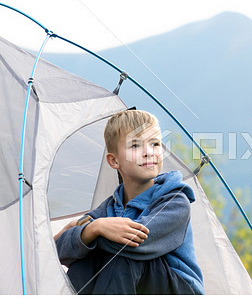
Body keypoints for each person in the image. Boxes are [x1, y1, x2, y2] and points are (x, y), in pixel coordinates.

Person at [54, 110, 204, 295]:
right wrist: (94, 228)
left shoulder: (174, 201)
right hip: (137, 286)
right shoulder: (110, 208)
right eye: (135, 146)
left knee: (123, 257)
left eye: (155, 144)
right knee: (85, 261)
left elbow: (135, 243)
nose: (149, 153)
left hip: (179, 290)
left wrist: (88, 231)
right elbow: (57, 252)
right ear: (114, 160)